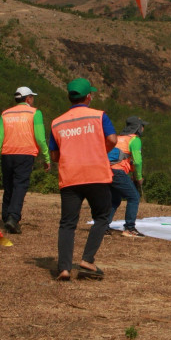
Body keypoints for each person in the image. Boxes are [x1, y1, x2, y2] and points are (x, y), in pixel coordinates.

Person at [48, 78, 116, 281]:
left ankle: (64, 268)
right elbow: (112, 139)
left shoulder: (57, 122)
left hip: (70, 177)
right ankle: (87, 260)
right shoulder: (99, 116)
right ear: (88, 96)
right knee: (101, 217)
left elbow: (54, 155)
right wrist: (100, 151)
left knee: (67, 223)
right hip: (96, 174)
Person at [0, 86, 51, 234]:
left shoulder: (5, 114)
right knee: (20, 186)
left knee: (8, 186)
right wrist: (46, 156)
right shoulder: (35, 113)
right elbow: (40, 138)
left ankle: (6, 216)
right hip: (25, 154)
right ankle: (13, 217)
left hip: (7, 154)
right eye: (32, 97)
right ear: (28, 99)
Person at [107, 116, 147, 238]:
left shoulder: (117, 138)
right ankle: (129, 228)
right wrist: (138, 177)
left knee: (115, 199)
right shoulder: (134, 140)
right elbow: (138, 161)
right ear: (137, 128)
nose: (143, 128)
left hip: (107, 171)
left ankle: (103, 226)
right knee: (134, 197)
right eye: (142, 126)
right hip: (118, 172)